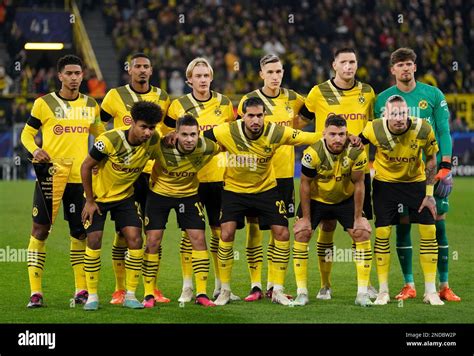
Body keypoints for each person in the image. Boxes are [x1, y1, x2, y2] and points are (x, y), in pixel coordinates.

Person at [203, 97, 321, 306]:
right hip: (234, 190)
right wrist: (175, 138)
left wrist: (332, 136)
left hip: (266, 189)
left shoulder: (275, 132)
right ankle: (225, 290)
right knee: (226, 232)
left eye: (259, 115)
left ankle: (278, 290)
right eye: (251, 116)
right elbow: (199, 138)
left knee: (282, 232)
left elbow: (305, 136)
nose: (256, 120)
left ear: (264, 116)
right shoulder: (226, 131)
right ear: (242, 116)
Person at [374, 48, 460, 302]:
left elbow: (444, 130)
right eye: (400, 65)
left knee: (437, 221)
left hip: (431, 172)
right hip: (400, 176)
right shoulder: (383, 99)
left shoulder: (432, 94)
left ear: (415, 66)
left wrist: (446, 164)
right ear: (393, 70)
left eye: (409, 64)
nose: (405, 68)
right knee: (402, 224)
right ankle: (409, 284)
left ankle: (443, 284)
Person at [20, 55, 104, 308]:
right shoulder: (43, 104)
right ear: (60, 76)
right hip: (51, 177)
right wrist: (35, 151)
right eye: (69, 73)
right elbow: (27, 133)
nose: (75, 77)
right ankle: (36, 293)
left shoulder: (91, 104)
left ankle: (80, 290)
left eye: (78, 73)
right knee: (40, 230)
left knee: (79, 232)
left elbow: (101, 136)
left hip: (80, 179)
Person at [297, 48, 377, 300]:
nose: (349, 66)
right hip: (324, 169)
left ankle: (365, 285)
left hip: (355, 168)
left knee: (360, 229)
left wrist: (363, 146)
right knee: (326, 226)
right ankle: (324, 285)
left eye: (353, 61)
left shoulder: (368, 92)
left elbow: (372, 126)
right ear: (334, 65)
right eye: (344, 62)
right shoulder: (317, 92)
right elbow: (299, 121)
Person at [160, 57, 236, 303]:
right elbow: (167, 136)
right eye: (198, 76)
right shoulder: (177, 105)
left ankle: (220, 286)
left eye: (206, 76)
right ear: (188, 80)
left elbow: (231, 135)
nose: (203, 80)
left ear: (211, 78)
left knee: (219, 232)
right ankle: (188, 286)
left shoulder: (224, 103)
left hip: (217, 177)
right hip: (189, 179)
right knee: (189, 233)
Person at [100, 52, 171, 305]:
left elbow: (166, 130)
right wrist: (105, 155)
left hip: (154, 174)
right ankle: (120, 289)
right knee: (124, 233)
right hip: (126, 175)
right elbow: (101, 126)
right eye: (137, 66)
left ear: (151, 71)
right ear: (129, 69)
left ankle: (152, 288)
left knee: (153, 233)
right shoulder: (113, 96)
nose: (142, 70)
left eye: (146, 67)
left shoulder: (162, 96)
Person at [360, 95, 444, 306]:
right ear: (385, 114)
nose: (399, 118)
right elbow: (356, 145)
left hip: (415, 184)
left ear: (408, 113)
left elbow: (432, 158)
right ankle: (383, 291)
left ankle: (430, 291)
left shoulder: (423, 128)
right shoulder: (373, 128)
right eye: (394, 114)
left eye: (403, 113)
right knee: (382, 233)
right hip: (385, 186)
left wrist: (429, 194)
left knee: (429, 231)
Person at [80, 101, 163, 311]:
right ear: (132, 123)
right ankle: (92, 296)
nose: (148, 132)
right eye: (143, 126)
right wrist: (89, 201)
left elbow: (163, 155)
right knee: (94, 239)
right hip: (98, 197)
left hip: (125, 197)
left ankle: (131, 295)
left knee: (135, 239)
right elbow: (86, 166)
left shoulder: (153, 140)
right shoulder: (109, 140)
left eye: (152, 128)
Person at [236, 54, 305, 301]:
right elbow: (239, 136)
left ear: (283, 73)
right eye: (270, 72)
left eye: (279, 71)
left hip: (285, 175)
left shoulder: (294, 98)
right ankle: (255, 285)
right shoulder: (249, 101)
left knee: (280, 230)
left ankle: (275, 286)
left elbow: (304, 119)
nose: (275, 76)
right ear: (261, 74)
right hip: (256, 175)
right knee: (254, 228)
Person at [293, 115, 373, 307]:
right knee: (302, 232)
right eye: (333, 134)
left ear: (347, 134)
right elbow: (304, 184)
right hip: (317, 199)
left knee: (361, 233)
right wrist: (305, 218)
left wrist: (358, 217)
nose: (337, 139)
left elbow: (359, 183)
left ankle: (362, 293)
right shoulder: (312, 153)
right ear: (324, 134)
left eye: (342, 134)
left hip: (345, 198)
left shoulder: (356, 151)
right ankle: (304, 292)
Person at [143, 114, 220, 308]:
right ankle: (148, 294)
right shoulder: (161, 146)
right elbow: (139, 152)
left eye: (193, 134)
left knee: (199, 239)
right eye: (184, 134)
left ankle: (201, 293)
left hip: (188, 195)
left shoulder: (206, 147)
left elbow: (228, 146)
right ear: (176, 134)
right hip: (159, 195)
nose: (189, 139)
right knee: (152, 241)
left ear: (199, 134)